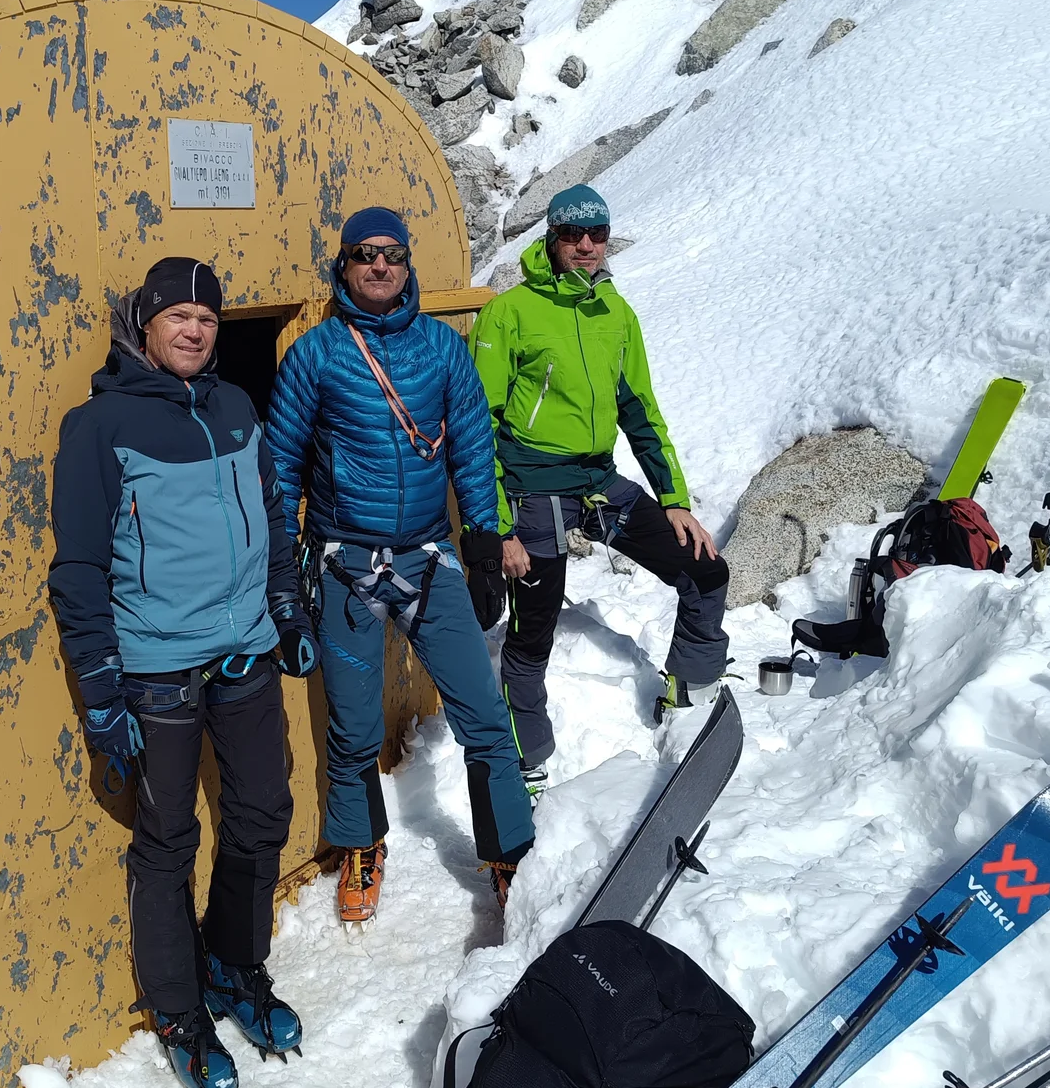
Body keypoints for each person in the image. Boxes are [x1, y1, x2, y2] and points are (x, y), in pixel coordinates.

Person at [48, 256, 319, 1088]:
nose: (197, 329)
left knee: (262, 812)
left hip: (243, 654)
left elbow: (274, 513)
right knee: (167, 844)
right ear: (146, 325)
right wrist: (101, 696)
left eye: (208, 316)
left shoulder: (236, 405)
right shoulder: (99, 427)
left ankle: (237, 964)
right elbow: (79, 571)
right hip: (156, 674)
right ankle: (178, 1011)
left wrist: (287, 606)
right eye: (179, 316)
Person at [266, 207, 534, 924]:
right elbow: (282, 468)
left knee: (481, 711)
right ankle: (361, 847)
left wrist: (482, 545)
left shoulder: (443, 351)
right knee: (352, 730)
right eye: (364, 255)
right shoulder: (315, 355)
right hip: (343, 561)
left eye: (392, 254)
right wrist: (282, 573)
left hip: (428, 557)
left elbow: (474, 450)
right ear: (344, 268)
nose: (379, 266)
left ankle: (510, 853)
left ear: (408, 264)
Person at [470, 185, 731, 782]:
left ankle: (684, 692)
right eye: (572, 234)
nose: (585, 246)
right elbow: (477, 425)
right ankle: (526, 762)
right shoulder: (508, 313)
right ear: (552, 238)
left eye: (597, 235)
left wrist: (675, 501)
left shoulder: (617, 313)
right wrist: (500, 526)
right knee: (533, 629)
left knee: (704, 568)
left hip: (598, 482)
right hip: (534, 490)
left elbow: (640, 409)